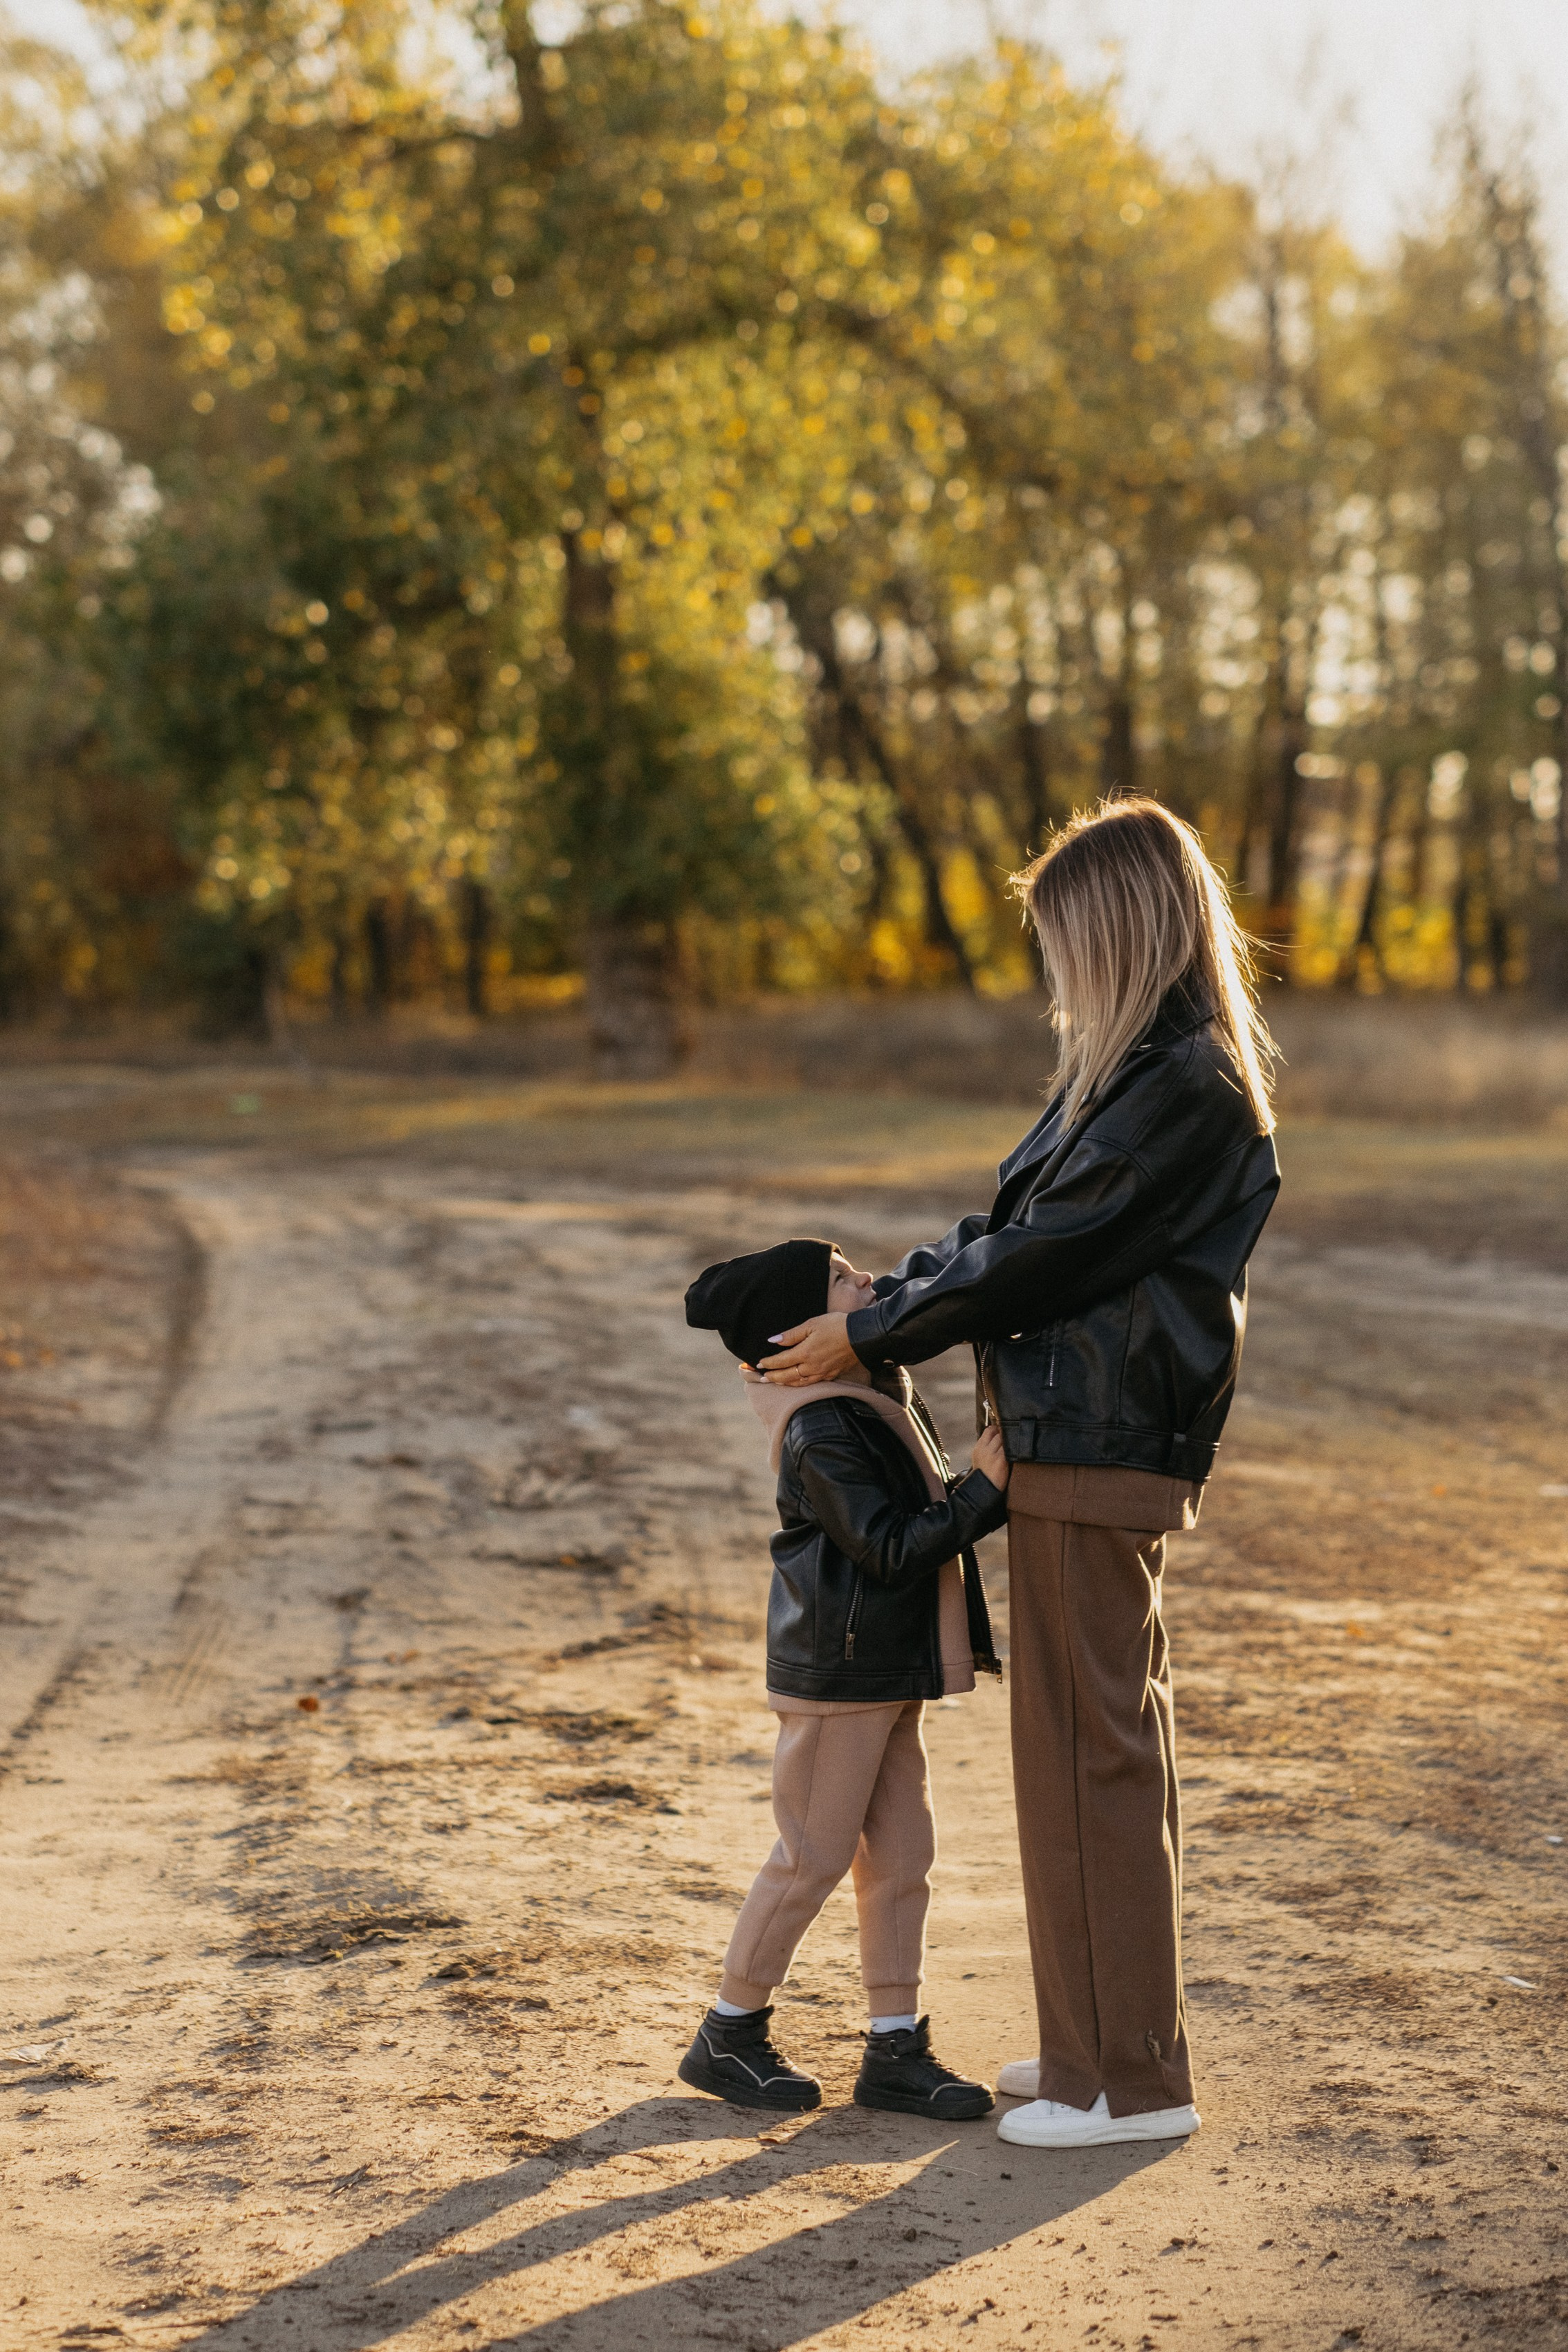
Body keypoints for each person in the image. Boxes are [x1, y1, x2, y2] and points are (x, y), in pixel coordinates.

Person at [759, 798, 1280, 2151]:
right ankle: (1092, 2051)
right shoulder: (1124, 1080)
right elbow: (996, 1234)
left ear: (1116, 926)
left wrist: (868, 1328)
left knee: (1084, 1759)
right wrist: (879, 1304)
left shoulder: (1182, 1087)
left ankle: (1121, 2087)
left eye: (1061, 941)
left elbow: (1039, 1261)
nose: (1054, 973)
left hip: (1092, 1451)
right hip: (1070, 1445)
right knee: (1088, 1753)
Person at [678, 1235, 1008, 2118]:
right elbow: (891, 1547)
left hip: (885, 1664)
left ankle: (895, 2046)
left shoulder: (865, 1396)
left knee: (902, 1859)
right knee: (811, 1857)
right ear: (797, 1327)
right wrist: (984, 1489)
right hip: (839, 1672)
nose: (864, 1278)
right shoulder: (822, 1426)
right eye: (838, 1277)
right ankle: (727, 2031)